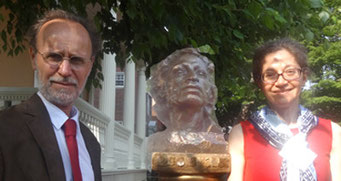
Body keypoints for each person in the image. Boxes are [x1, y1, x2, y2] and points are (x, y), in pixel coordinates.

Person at [0, 9, 102, 181]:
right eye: (54, 57)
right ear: (33, 58)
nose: (65, 70)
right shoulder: (4, 130)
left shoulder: (92, 143)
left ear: (90, 66)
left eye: (76, 60)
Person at [228, 38, 341, 181]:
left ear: (303, 77)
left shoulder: (332, 132)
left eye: (290, 71)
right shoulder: (241, 134)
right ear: (259, 82)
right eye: (270, 74)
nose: (281, 82)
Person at [148, 48, 227, 154]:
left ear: (210, 92)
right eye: (180, 72)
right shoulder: (154, 143)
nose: (192, 77)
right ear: (163, 87)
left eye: (201, 73)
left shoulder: (217, 142)